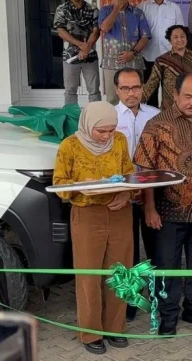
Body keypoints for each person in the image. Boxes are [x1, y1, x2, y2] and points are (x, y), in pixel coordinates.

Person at [133, 72, 192, 335]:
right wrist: (149, 208)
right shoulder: (156, 125)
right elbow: (145, 170)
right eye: (188, 96)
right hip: (167, 213)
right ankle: (168, 315)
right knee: (167, 266)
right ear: (175, 94)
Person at [52, 101, 134, 355]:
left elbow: (129, 174)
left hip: (119, 213)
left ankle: (116, 328)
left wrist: (127, 193)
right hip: (87, 214)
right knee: (89, 275)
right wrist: (81, 185)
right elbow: (59, 184)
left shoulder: (120, 141)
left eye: (111, 130)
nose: (107, 136)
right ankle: (90, 333)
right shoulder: (70, 146)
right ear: (88, 126)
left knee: (120, 272)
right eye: (101, 131)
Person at [111, 67, 160, 322]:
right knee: (127, 250)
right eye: (126, 88)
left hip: (151, 192)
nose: (132, 93)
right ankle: (129, 301)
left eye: (136, 87)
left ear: (143, 88)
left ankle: (157, 296)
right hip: (122, 193)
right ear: (117, 90)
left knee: (156, 247)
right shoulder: (108, 117)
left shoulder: (155, 116)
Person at [99, 0, 151, 104]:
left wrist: (133, 52)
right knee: (113, 100)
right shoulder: (105, 11)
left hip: (134, 61)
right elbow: (104, 28)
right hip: (112, 63)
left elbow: (145, 36)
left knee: (135, 98)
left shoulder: (137, 13)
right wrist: (116, 8)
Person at [138, 0, 185, 107]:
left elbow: (180, 33)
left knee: (170, 93)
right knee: (150, 94)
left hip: (169, 58)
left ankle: (169, 118)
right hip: (148, 57)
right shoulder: (142, 7)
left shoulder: (174, 8)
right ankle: (151, 119)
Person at [54, 0, 101, 105]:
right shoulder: (62, 9)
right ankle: (70, 115)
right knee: (70, 91)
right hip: (70, 57)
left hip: (90, 57)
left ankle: (95, 115)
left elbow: (96, 31)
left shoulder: (93, 9)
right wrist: (81, 45)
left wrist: (87, 48)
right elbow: (61, 31)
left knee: (94, 91)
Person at [141, 24, 192, 109]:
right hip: (170, 107)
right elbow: (151, 84)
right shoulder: (162, 60)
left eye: (182, 36)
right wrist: (138, 102)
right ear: (169, 40)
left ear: (187, 38)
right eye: (175, 37)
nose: (179, 39)